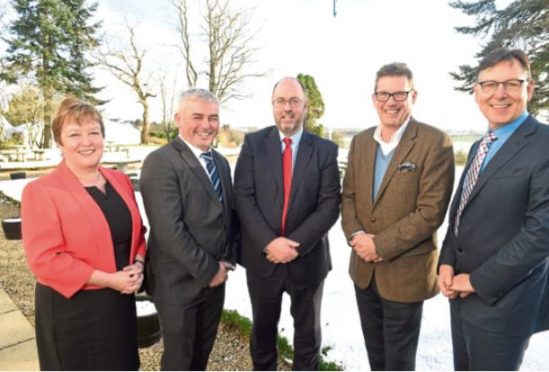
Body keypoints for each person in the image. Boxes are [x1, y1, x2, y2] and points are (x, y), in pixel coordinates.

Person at [438, 48, 549, 370]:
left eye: (511, 84)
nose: (500, 94)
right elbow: (462, 210)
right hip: (460, 297)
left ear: (529, 88)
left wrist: (475, 281)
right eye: (489, 85)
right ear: (477, 92)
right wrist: (446, 261)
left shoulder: (544, 144)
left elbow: (541, 232)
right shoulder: (481, 145)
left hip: (505, 305)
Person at [341, 63, 455, 370]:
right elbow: (348, 196)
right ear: (374, 97)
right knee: (376, 357)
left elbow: (430, 212)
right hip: (363, 272)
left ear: (413, 95)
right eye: (384, 94)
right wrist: (356, 237)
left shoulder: (435, 142)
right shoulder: (360, 142)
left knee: (399, 363)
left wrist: (381, 245)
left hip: (405, 273)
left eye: (399, 94)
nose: (391, 101)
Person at [21, 97, 146, 370]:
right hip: (73, 310)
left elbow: (138, 233)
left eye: (93, 132)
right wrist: (109, 280)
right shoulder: (42, 191)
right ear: (59, 143)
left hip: (119, 305)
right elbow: (45, 259)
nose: (86, 141)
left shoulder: (119, 180)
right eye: (74, 134)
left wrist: (138, 263)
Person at [234, 77, 340, 370]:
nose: (288, 108)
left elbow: (330, 205)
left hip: (306, 260)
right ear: (272, 106)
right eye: (281, 101)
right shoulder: (254, 144)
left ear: (306, 106)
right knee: (263, 335)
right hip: (263, 260)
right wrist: (270, 242)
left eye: (294, 101)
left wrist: (294, 245)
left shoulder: (325, 150)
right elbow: (243, 196)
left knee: (307, 338)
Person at [140, 88, 238, 370]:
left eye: (213, 117)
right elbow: (169, 229)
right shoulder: (161, 162)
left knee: (200, 357)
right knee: (178, 361)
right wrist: (209, 270)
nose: (207, 125)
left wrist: (226, 263)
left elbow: (228, 215)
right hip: (178, 285)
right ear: (178, 119)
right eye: (198, 117)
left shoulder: (219, 162)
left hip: (215, 283)